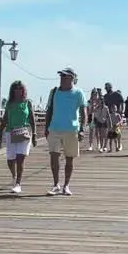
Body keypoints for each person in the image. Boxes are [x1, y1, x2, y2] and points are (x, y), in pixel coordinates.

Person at [45, 68, 86, 196]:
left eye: (65, 76)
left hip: (71, 128)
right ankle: (56, 184)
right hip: (55, 128)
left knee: (69, 159)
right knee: (54, 156)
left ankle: (66, 185)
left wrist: (82, 129)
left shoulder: (78, 93)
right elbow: (49, 110)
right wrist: (46, 127)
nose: (62, 78)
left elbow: (84, 112)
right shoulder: (54, 92)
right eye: (61, 76)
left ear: (72, 78)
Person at [0, 80, 37, 194]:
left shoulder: (27, 103)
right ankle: (14, 176)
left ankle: (18, 183)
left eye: (20, 89)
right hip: (11, 131)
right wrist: (0, 133)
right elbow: (5, 119)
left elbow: (32, 120)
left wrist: (34, 134)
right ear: (12, 91)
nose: (18, 91)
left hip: (24, 131)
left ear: (23, 91)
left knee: (20, 158)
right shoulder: (10, 103)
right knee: (10, 159)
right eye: (16, 89)